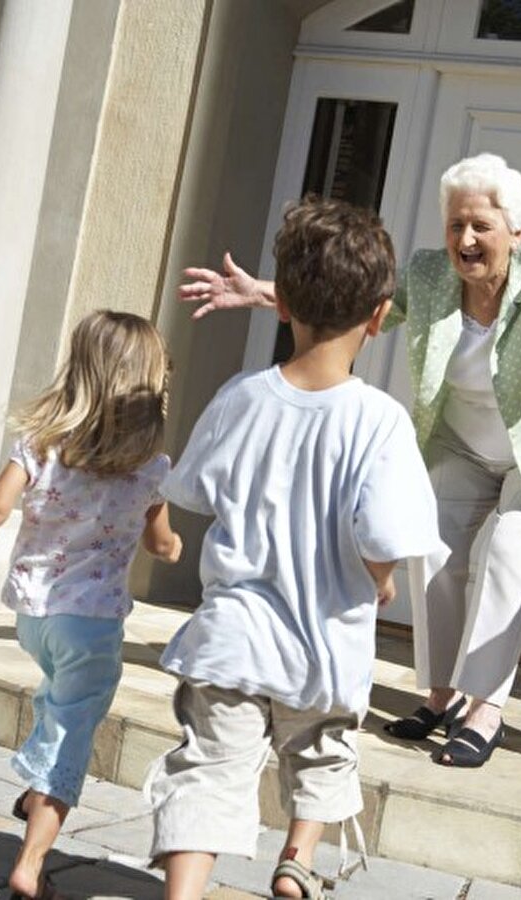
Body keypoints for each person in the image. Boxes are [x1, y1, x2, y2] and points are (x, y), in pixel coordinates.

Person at [178, 153, 521, 768]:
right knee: (434, 548)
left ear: (517, 233)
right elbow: (353, 301)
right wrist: (265, 292)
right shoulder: (428, 274)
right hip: (462, 445)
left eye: (480, 227)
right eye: (454, 226)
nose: (464, 240)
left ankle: (486, 707)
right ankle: (442, 693)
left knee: (508, 549)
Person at [146, 195, 444, 900]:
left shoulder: (240, 397)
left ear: (282, 306)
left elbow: (189, 491)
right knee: (322, 754)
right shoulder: (381, 422)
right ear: (379, 316)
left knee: (209, 770)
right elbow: (383, 536)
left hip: (233, 638)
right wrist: (383, 577)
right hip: (325, 644)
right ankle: (295, 862)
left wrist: (160, 531)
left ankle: (183, 894)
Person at [0, 310, 182, 900]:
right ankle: (31, 862)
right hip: (93, 624)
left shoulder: (39, 442)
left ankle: (33, 792)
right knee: (74, 731)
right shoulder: (150, 467)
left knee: (56, 696)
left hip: (32, 616)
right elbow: (161, 541)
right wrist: (174, 548)